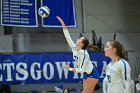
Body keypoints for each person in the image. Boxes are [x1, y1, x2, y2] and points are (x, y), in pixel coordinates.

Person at [56, 16, 99, 93]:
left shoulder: (84, 54)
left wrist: (70, 69)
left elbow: (81, 70)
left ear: (81, 44)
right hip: (86, 74)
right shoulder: (74, 47)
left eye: (79, 39)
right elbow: (67, 36)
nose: (77, 39)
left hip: (92, 74)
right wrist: (62, 23)